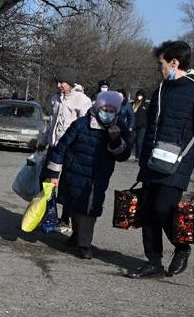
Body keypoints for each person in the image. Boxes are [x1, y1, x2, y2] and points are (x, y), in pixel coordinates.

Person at [127, 41, 194, 280]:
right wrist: (143, 161)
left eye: (161, 63)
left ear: (174, 63)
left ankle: (182, 246)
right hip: (153, 162)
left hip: (178, 163)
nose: (159, 68)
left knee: (163, 208)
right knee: (147, 211)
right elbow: (151, 128)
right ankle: (153, 262)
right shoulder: (161, 90)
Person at [44, 91, 132, 259]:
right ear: (98, 107)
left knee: (90, 208)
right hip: (74, 172)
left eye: (112, 110)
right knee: (75, 205)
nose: (107, 113)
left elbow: (124, 155)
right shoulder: (81, 124)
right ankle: (77, 235)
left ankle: (84, 245)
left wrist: (115, 140)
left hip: (98, 177)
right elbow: (61, 148)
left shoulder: (119, 127)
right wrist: (53, 173)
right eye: (105, 109)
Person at [39, 68, 92, 233]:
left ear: (70, 83)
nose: (58, 85)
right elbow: (52, 123)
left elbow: (85, 126)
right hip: (54, 147)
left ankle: (65, 218)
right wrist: (44, 141)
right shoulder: (55, 98)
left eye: (62, 82)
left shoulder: (82, 100)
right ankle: (48, 214)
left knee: (67, 185)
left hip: (71, 149)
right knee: (46, 182)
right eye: (57, 82)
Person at [131, 89, 149, 160]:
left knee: (139, 142)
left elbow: (149, 115)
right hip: (133, 125)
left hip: (142, 126)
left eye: (141, 95)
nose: (139, 97)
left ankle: (138, 157)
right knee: (130, 140)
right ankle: (127, 154)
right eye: (138, 95)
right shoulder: (132, 104)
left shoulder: (146, 105)